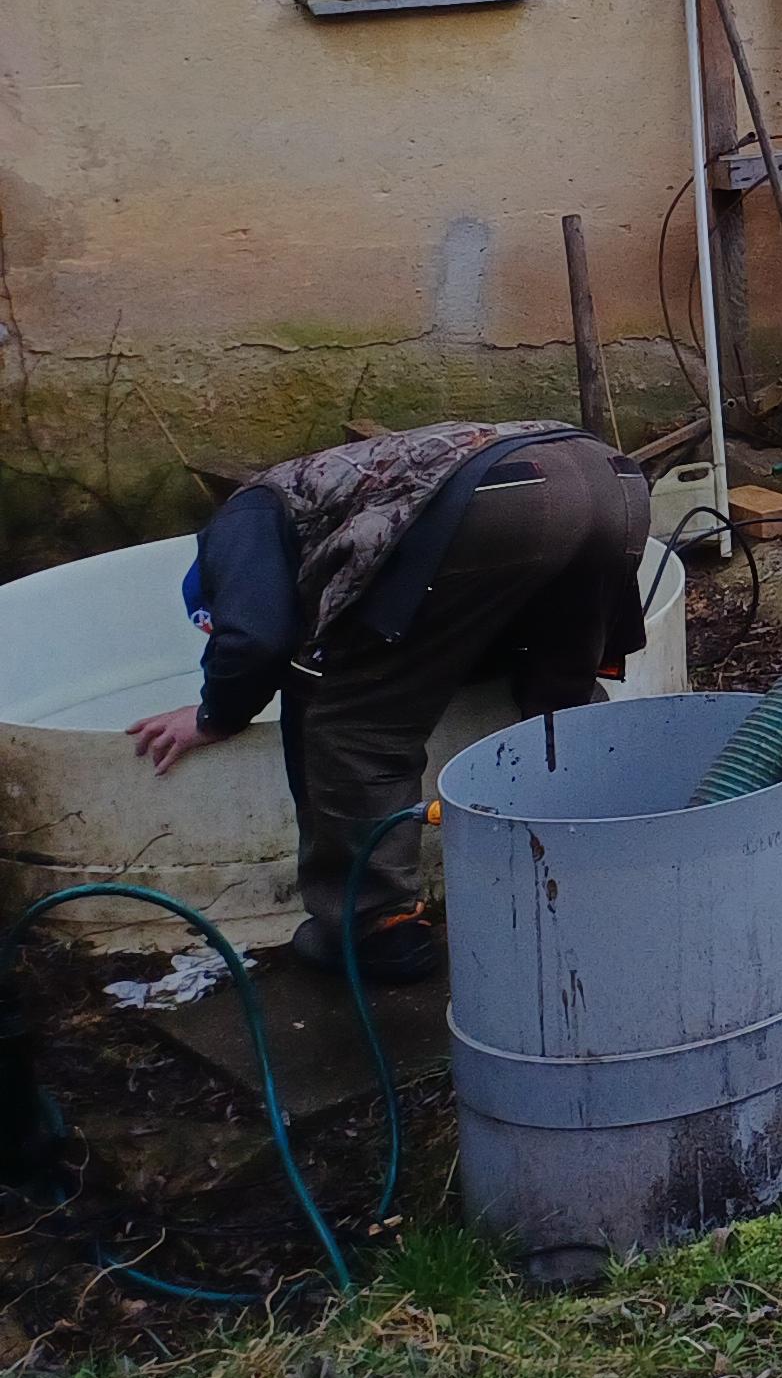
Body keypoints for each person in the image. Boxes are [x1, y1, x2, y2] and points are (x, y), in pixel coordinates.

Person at [128, 421, 652, 983]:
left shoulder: (243, 517)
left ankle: (378, 926)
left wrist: (215, 714)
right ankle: (613, 865)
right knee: (562, 702)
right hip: (611, 479)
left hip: (498, 502)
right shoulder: (333, 489)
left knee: (353, 726)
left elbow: (257, 638)